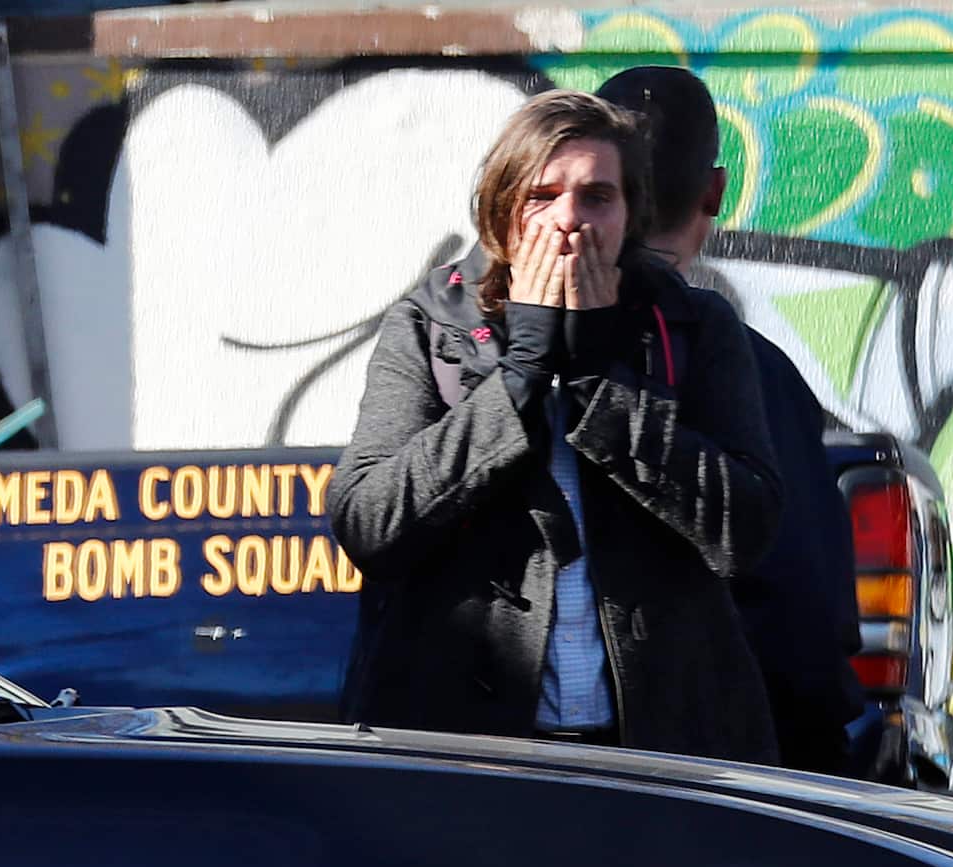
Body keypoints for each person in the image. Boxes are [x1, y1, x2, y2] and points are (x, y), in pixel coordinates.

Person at [327, 89, 783, 764]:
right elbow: (368, 521)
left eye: (597, 197)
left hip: (661, 755)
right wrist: (520, 377)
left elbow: (746, 530)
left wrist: (601, 382)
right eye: (542, 196)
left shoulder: (692, 326)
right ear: (500, 215)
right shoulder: (429, 328)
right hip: (467, 760)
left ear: (630, 215)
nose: (569, 219)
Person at [597, 66, 866, 774]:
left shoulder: (506, 361)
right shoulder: (759, 371)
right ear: (715, 191)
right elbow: (803, 612)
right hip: (718, 776)